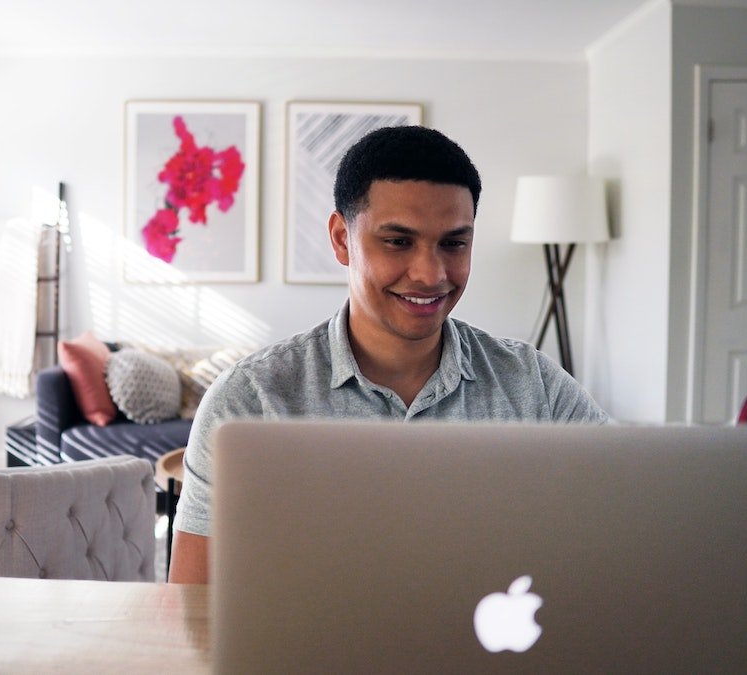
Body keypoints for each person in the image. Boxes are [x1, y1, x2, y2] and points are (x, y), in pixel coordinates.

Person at [168, 126, 609, 584]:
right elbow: (189, 603)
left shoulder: (534, 386)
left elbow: (623, 526)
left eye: (454, 243)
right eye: (399, 242)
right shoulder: (250, 400)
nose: (431, 274)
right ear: (342, 239)